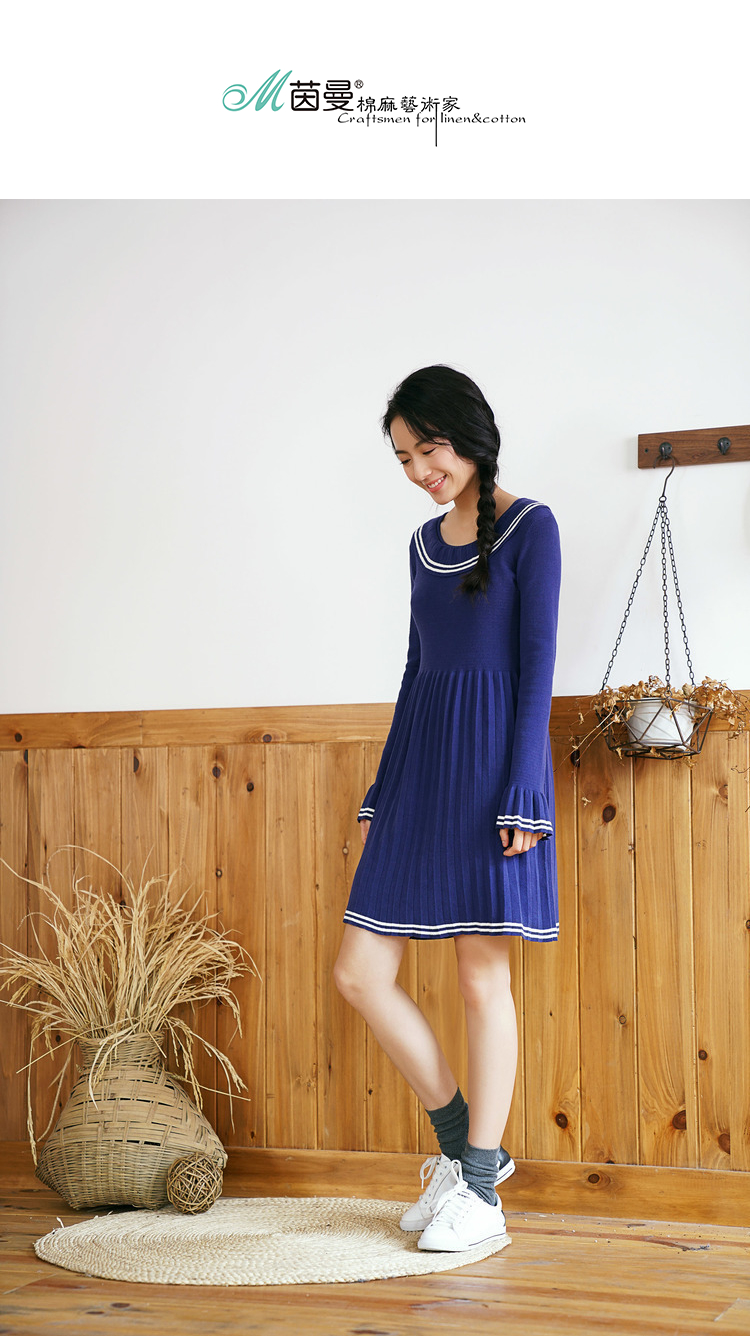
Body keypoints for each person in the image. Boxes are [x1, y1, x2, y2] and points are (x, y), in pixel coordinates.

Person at [333, 364, 562, 1253]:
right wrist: (384, 784)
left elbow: (537, 667)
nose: (419, 470)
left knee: (479, 979)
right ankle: (464, 1151)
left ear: (468, 434)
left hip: (495, 776)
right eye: (403, 458)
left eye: (427, 448)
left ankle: (482, 1192)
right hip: (423, 772)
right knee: (359, 973)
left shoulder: (533, 527)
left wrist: (526, 792)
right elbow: (415, 668)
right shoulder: (422, 544)